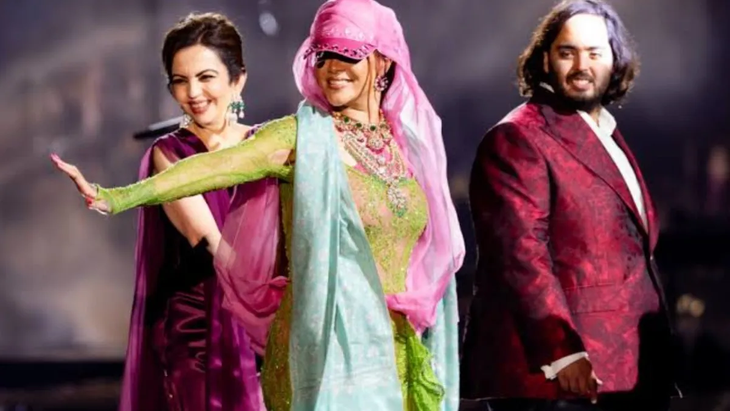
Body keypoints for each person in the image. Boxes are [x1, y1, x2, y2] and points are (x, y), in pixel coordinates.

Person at [50, 1, 465, 410]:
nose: (333, 66)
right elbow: (212, 169)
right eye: (323, 54)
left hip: (398, 348)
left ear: (384, 61)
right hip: (330, 351)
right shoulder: (302, 137)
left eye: (349, 53)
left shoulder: (406, 144)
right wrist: (115, 197)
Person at [460, 1, 677, 410]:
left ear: (615, 61)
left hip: (621, 373)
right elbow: (519, 257)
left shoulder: (606, 134)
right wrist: (562, 352)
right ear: (545, 60)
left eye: (594, 53)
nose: (582, 66)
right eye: (568, 52)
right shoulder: (518, 137)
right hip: (558, 377)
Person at [76, 12, 263, 411]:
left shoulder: (267, 145)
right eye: (180, 80)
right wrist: (272, 300)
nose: (193, 92)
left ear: (238, 80)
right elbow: (211, 242)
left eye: (206, 77)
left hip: (265, 324)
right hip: (198, 334)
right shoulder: (170, 153)